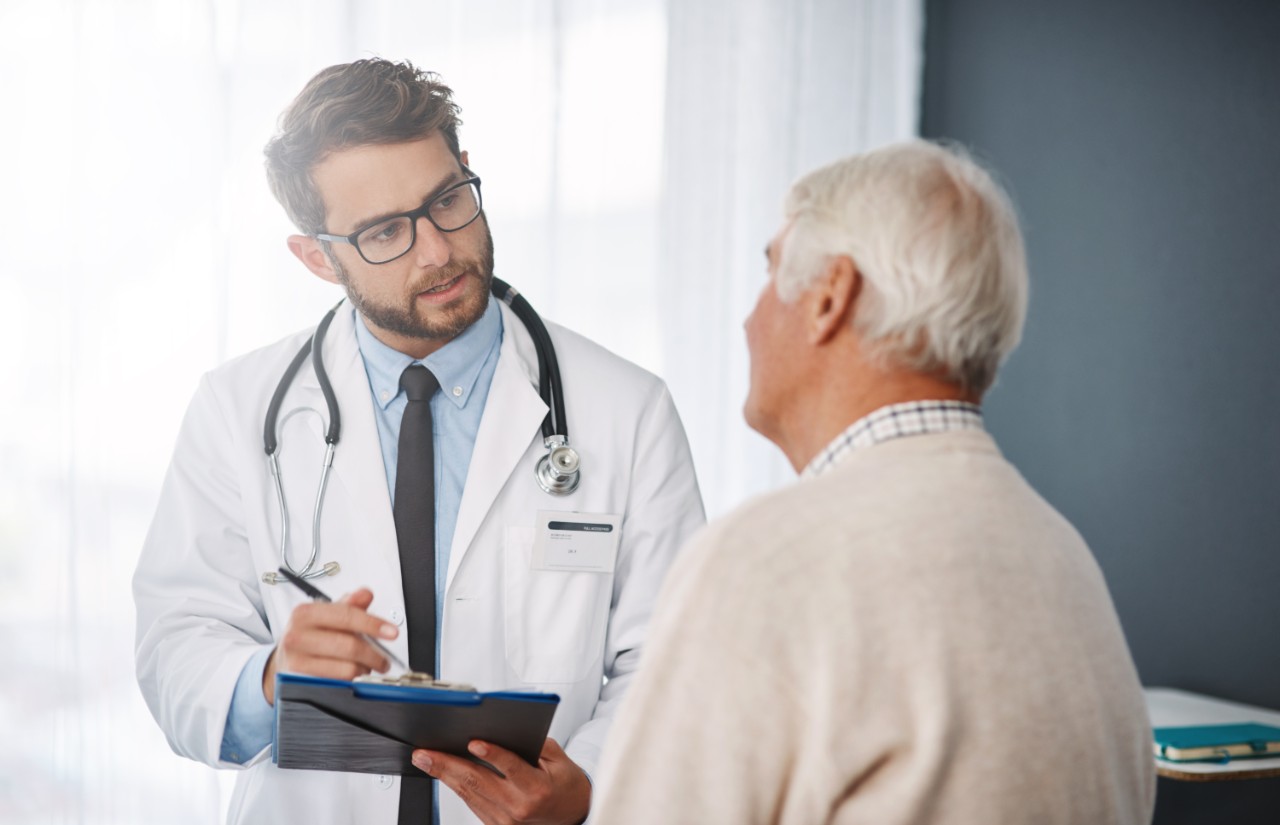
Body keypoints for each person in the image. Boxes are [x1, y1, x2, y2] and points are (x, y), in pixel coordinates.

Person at [132, 58, 704, 825]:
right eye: (384, 232)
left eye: (446, 201)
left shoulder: (628, 409)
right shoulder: (237, 410)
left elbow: (672, 661)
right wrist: (270, 681)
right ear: (316, 257)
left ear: (468, 172)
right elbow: (178, 642)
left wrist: (590, 785)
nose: (436, 250)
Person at [590, 141, 1156, 824]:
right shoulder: (1064, 558)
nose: (749, 319)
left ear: (831, 295)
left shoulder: (762, 561)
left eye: (770, 276)